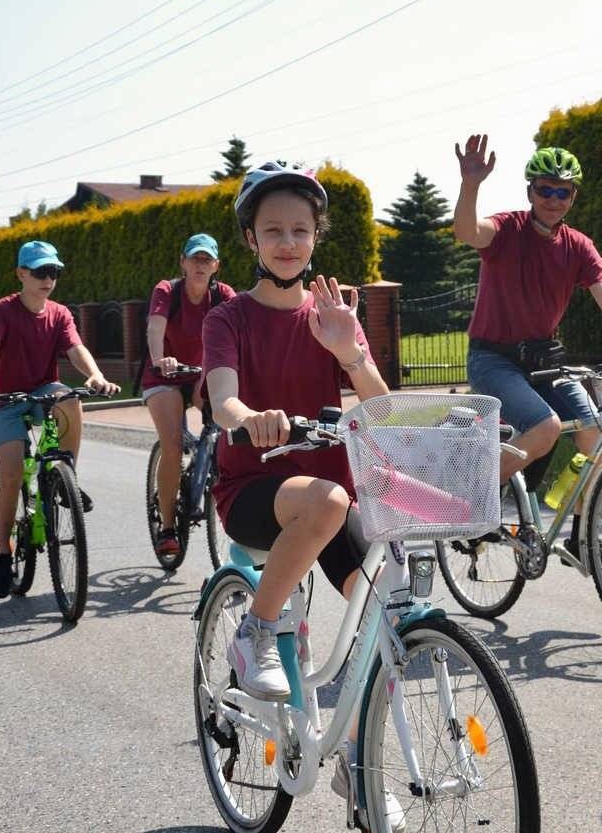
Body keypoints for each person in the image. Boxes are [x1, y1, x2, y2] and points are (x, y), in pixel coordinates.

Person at [203, 161, 404, 831]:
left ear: (316, 236)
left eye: (300, 229)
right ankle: (256, 629)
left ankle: (358, 758)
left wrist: (350, 351)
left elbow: (381, 408)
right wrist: (247, 416)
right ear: (251, 240)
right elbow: (222, 395)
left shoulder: (332, 313)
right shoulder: (229, 317)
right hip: (256, 486)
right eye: (273, 230)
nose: (287, 242)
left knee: (387, 620)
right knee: (327, 502)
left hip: (330, 492)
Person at [453, 135, 602, 567]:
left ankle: (578, 532)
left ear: (573, 196)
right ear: (530, 192)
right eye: (545, 189)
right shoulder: (508, 229)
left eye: (563, 192)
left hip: (544, 358)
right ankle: (471, 499)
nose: (553, 199)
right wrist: (471, 184)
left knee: (595, 436)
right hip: (493, 357)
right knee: (544, 428)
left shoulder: (578, 246)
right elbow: (467, 231)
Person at [0, 240, 119, 600]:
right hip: (4, 400)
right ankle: (3, 553)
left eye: (53, 271)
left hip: (40, 391)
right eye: (39, 271)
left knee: (69, 399)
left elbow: (76, 348)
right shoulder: (2, 311)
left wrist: (95, 375)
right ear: (21, 273)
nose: (47, 279)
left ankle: (65, 476)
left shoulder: (59, 313)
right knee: (11, 474)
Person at [144, 232, 235, 556]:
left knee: (224, 428)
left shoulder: (223, 295)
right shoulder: (167, 291)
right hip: (165, 376)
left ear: (216, 266)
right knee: (172, 444)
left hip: (202, 372)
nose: (200, 265)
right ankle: (168, 528)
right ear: (183, 262)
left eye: (206, 259)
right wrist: (159, 361)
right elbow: (155, 328)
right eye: (194, 258)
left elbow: (239, 333)